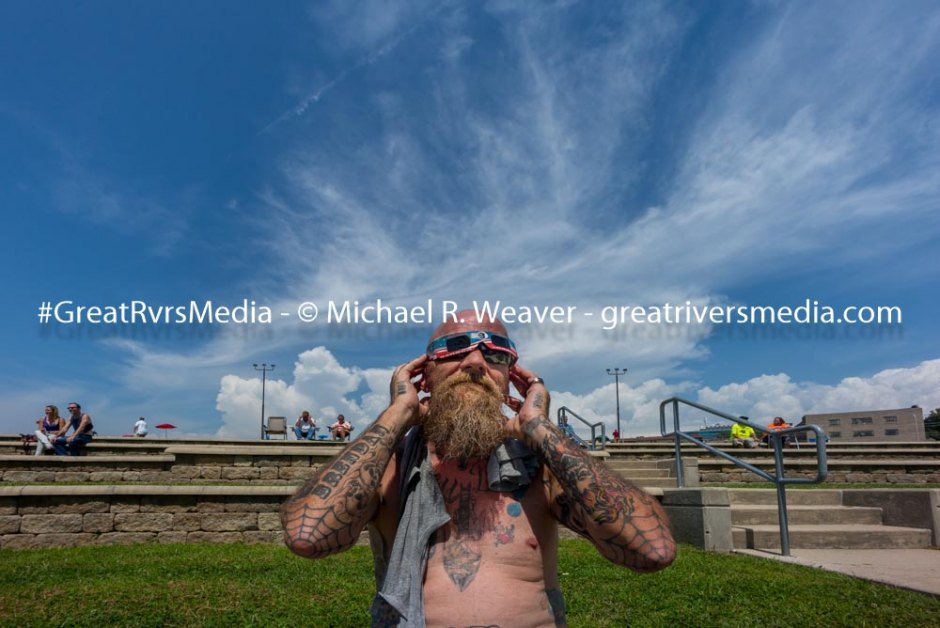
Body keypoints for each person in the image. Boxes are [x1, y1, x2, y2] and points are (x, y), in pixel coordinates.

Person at [281, 311, 675, 626]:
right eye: (454, 349)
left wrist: (538, 426)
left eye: (495, 355)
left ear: (509, 380)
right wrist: (397, 413)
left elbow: (651, 551)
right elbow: (308, 537)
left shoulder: (541, 469)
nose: (474, 363)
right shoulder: (391, 466)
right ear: (425, 373)